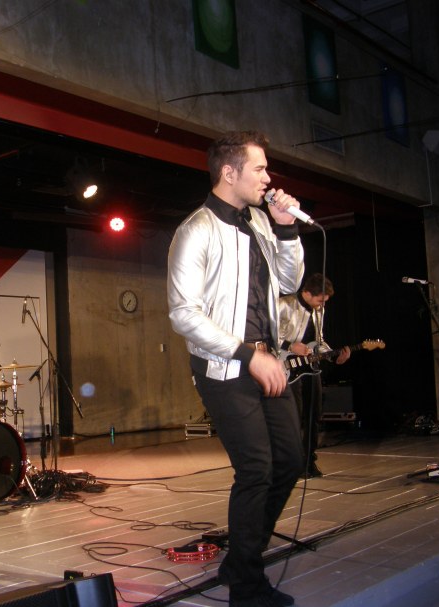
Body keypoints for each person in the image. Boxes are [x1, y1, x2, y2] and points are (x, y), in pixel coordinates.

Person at [168, 131, 305, 607]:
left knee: (290, 460)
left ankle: (242, 556)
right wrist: (248, 355)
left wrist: (286, 230)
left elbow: (290, 282)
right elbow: (183, 314)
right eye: (260, 168)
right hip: (225, 366)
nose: (268, 178)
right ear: (229, 172)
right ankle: (246, 586)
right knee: (256, 469)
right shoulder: (196, 230)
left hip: (267, 359)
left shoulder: (262, 223)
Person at [278, 274, 351, 478]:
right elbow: (267, 334)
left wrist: (333, 355)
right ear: (307, 293)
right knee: (294, 415)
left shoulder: (319, 311)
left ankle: (308, 461)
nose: (322, 305)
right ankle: (291, 463)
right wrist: (290, 346)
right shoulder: (283, 305)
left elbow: (319, 340)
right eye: (320, 300)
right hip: (287, 366)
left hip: (310, 366)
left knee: (314, 413)